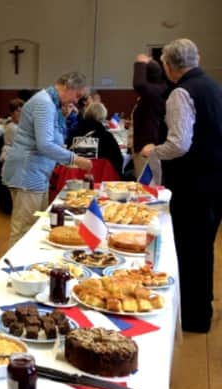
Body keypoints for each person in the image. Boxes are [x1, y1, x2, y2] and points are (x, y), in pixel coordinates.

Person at [140, 39, 222, 333]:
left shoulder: (181, 92)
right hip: (215, 181)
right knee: (203, 248)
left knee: (189, 249)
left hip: (193, 184)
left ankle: (193, 316)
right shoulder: (213, 86)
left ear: (168, 66)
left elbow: (179, 143)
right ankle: (201, 308)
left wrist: (154, 150)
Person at [2, 72, 92, 247]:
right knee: (24, 229)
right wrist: (75, 159)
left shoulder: (49, 103)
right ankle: (14, 271)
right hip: (28, 172)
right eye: (77, 95)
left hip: (34, 172)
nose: (76, 101)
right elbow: (45, 145)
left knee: (33, 225)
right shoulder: (45, 104)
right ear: (68, 87)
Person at [131, 54, 168, 178]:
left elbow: (139, 84)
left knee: (147, 190)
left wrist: (140, 63)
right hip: (145, 146)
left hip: (147, 148)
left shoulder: (155, 92)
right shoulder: (156, 91)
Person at [68, 102, 123, 176]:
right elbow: (118, 160)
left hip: (75, 176)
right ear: (102, 117)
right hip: (100, 178)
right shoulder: (106, 136)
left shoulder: (74, 133)